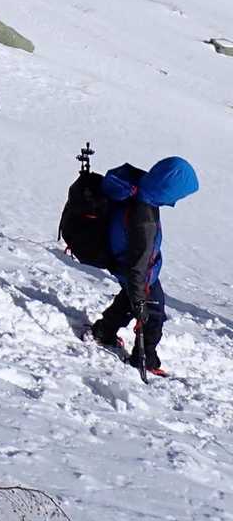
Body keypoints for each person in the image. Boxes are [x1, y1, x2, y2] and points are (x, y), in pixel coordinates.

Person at [90, 156, 199, 375]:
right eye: (180, 194)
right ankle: (145, 358)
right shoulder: (144, 219)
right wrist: (140, 299)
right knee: (153, 311)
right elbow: (138, 265)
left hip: (124, 262)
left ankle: (104, 330)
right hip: (135, 270)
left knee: (128, 298)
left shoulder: (137, 188)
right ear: (168, 190)